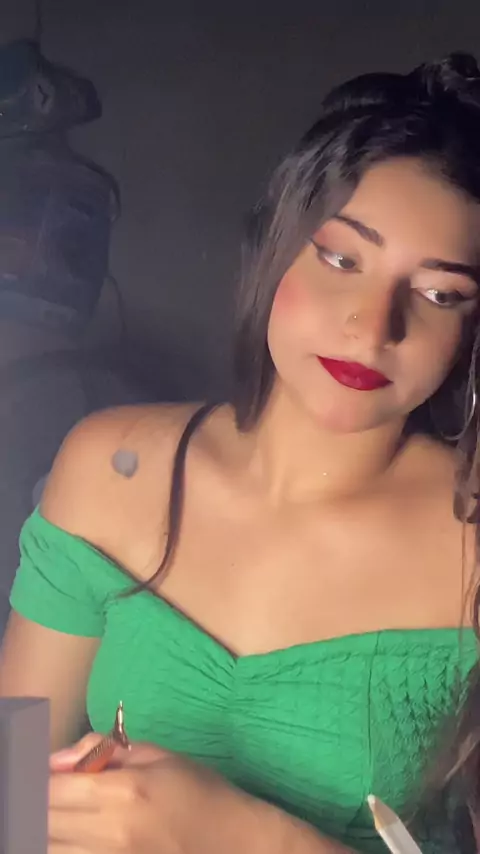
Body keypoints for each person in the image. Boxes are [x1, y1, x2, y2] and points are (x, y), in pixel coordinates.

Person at [1, 51, 480, 854]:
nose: (372, 327)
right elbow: (12, 785)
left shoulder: (469, 547)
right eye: (341, 258)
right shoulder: (106, 467)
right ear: (276, 246)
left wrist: (243, 834)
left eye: (440, 294)